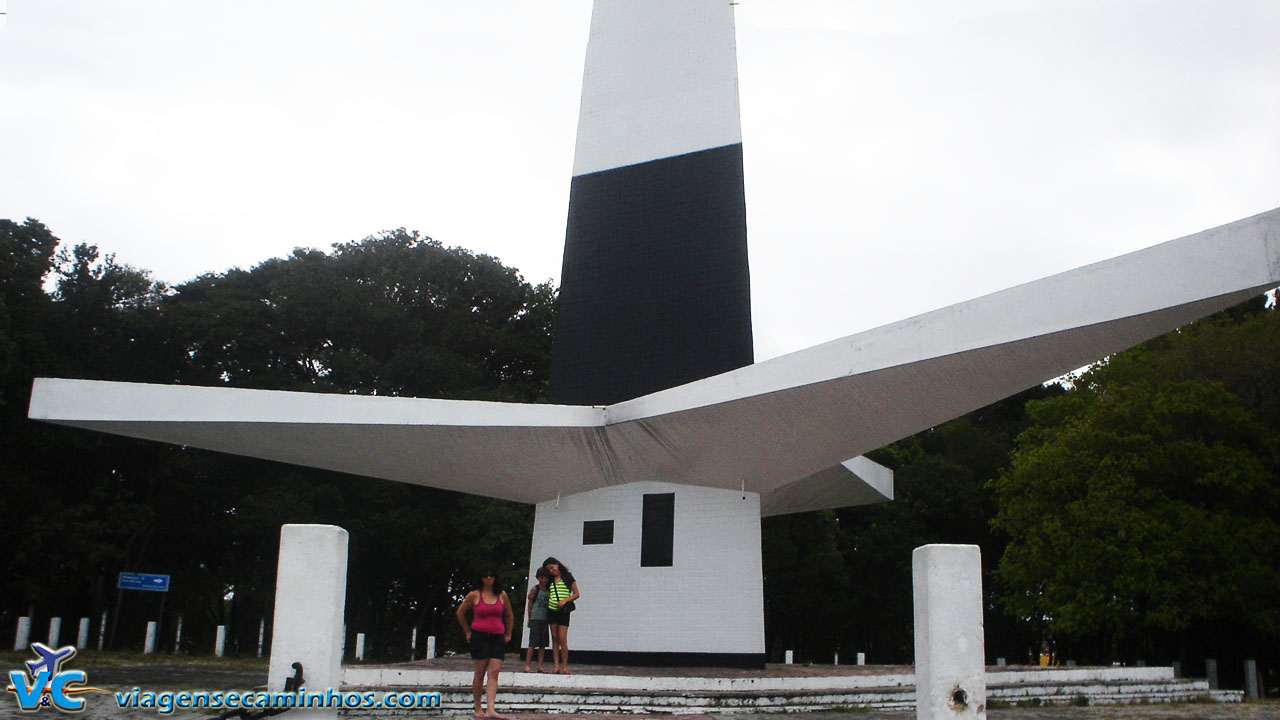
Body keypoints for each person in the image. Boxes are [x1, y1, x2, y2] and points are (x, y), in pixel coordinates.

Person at [456, 566, 514, 719]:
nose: (488, 578)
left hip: (497, 636)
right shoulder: (474, 595)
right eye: (485, 576)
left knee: (494, 672)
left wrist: (508, 632)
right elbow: (460, 613)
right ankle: (478, 707)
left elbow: (509, 615)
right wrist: (467, 631)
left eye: (491, 575)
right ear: (481, 578)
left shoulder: (502, 595)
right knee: (480, 672)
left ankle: (491, 708)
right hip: (479, 636)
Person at [541, 556, 580, 675]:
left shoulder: (567, 577)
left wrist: (565, 601)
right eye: (549, 570)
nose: (552, 571)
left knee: (562, 638)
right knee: (554, 637)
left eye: (552, 568)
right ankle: (556, 666)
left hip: (563, 611)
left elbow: (576, 594)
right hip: (552, 610)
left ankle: (565, 667)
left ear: (557, 565)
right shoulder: (550, 580)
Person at [524, 567, 551, 672]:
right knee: (532, 643)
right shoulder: (535, 589)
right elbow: (530, 604)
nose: (543, 580)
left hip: (544, 619)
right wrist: (529, 618)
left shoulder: (548, 590)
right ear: (538, 578)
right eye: (541, 578)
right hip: (536, 618)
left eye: (545, 578)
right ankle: (527, 665)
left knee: (542, 644)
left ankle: (540, 666)